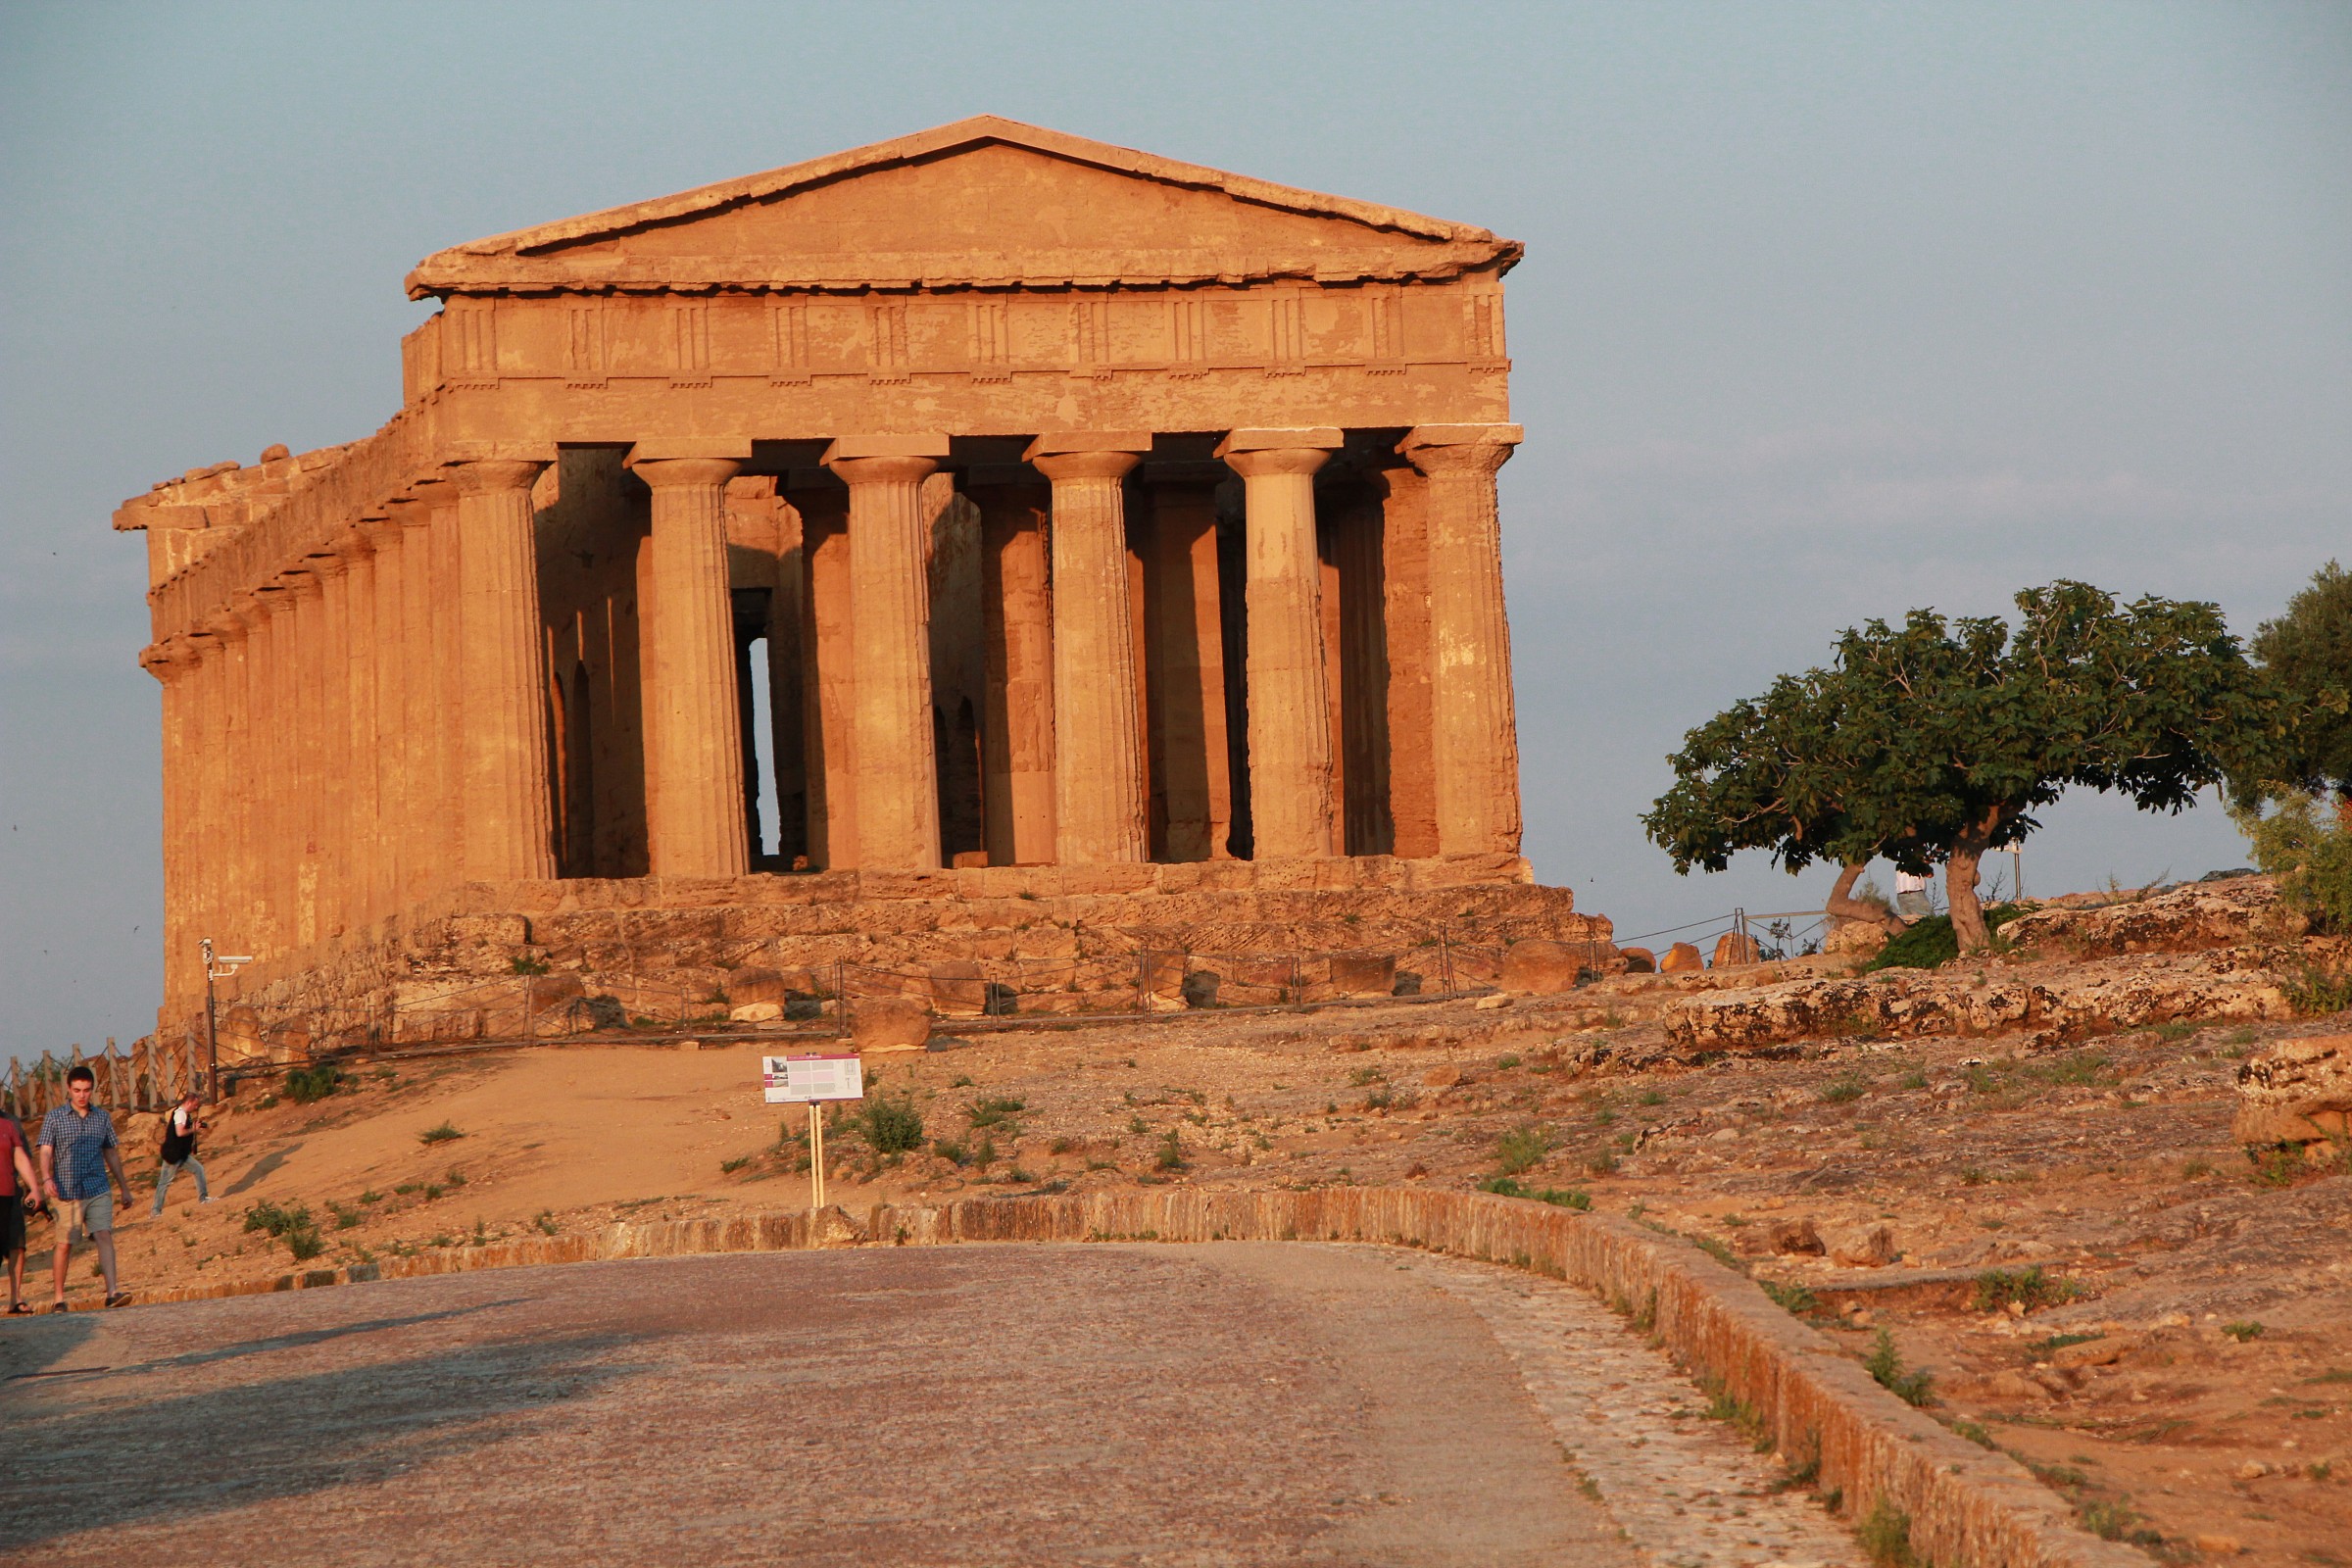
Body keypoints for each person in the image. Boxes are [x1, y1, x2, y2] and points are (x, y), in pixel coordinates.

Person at [37, 1066, 132, 1311]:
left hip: (97, 1186)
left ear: (92, 1090)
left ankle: (112, 1292)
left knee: (103, 1234)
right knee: (65, 1243)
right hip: (66, 1191)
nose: (82, 1095)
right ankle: (59, 1298)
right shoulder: (54, 1118)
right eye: (77, 1090)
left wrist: (124, 1187)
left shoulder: (102, 1118)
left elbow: (111, 1152)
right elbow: (46, 1151)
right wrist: (46, 1178)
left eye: (87, 1090)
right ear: (69, 1089)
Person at [1, 1108, 40, 1315]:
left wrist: (33, 1188)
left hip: (9, 1195)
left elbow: (21, 1157)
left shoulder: (9, 1124)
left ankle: (16, 1299)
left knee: (17, 1244)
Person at [151, 1091, 213, 1213]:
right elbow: (180, 1132)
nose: (196, 1107)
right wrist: (193, 1129)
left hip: (180, 1154)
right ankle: (155, 1211)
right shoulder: (180, 1114)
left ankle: (203, 1198)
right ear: (189, 1102)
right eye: (195, 1105)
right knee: (164, 1182)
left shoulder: (184, 1114)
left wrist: (192, 1127)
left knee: (198, 1169)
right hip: (174, 1154)